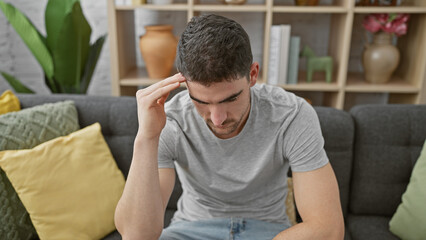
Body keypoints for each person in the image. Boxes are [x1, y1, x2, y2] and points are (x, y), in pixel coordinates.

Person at [114, 14, 344, 240]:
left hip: (269, 232)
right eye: (202, 102)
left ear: (252, 75)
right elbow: (137, 235)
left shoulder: (291, 115)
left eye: (230, 99)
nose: (217, 119)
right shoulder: (170, 119)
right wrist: (146, 137)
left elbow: (328, 229)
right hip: (190, 229)